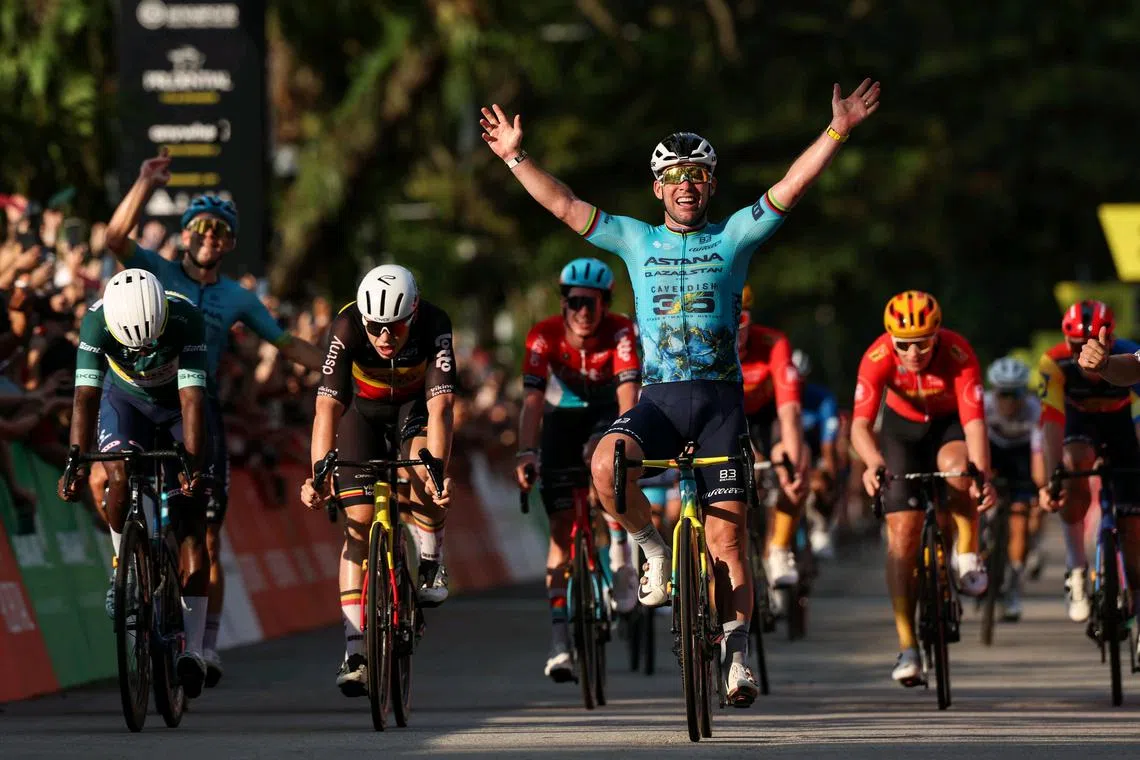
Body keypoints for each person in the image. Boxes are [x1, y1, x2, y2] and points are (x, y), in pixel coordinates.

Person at [480, 76, 881, 705]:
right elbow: (563, 205)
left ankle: (738, 655)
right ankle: (651, 550)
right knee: (606, 465)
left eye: (697, 175)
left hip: (720, 405)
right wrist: (514, 157)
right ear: (657, 188)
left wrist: (837, 130)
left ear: (711, 185)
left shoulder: (734, 238)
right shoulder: (635, 238)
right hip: (660, 403)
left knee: (727, 540)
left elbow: (792, 187)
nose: (686, 185)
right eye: (674, 177)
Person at [103, 149, 324, 686]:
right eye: (201, 228)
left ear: (229, 244)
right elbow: (113, 241)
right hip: (139, 400)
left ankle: (202, 646)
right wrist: (144, 182)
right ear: (183, 236)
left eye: (221, 232)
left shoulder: (237, 296)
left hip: (198, 408)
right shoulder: (153, 270)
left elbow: (286, 342)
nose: (210, 238)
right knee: (115, 482)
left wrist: (343, 368)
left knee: (204, 534)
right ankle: (130, 569)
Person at [299, 264, 456, 696]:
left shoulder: (436, 323)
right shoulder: (347, 326)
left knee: (422, 469)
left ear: (414, 313)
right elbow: (327, 409)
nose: (384, 337)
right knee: (358, 523)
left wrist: (438, 473)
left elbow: (441, 410)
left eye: (395, 327)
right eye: (376, 327)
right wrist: (318, 472)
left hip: (415, 409)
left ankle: (430, 558)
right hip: (362, 415)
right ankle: (355, 652)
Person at [56, 269, 212, 696]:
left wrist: (192, 467)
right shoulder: (95, 322)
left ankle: (193, 650)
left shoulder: (185, 318)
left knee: (191, 519)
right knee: (119, 471)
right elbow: (85, 396)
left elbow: (193, 398)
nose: (143, 352)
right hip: (125, 402)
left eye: (150, 342)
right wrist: (76, 461)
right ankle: (121, 566)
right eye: (133, 346)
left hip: (179, 405)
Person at [851, 290, 995, 685]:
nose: (913, 353)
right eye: (904, 345)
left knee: (957, 470)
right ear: (891, 341)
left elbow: (975, 424)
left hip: (948, 427)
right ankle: (907, 645)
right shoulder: (877, 357)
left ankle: (966, 552)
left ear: (938, 336)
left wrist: (982, 475)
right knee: (903, 536)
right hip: (902, 435)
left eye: (923, 343)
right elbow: (860, 426)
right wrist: (874, 464)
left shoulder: (959, 353)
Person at [514, 257, 641, 682]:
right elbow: (532, 403)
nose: (583, 312)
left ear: (606, 304)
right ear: (563, 303)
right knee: (560, 531)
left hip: (608, 414)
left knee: (609, 475)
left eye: (592, 303)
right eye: (574, 302)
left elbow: (628, 395)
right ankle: (558, 642)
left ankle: (622, 555)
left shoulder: (622, 330)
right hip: (561, 420)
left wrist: (620, 443)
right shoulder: (542, 335)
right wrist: (525, 453)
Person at [1041, 301, 1140, 627]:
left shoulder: (1130, 352)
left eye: (1095, 341)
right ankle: (1077, 567)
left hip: (1123, 424)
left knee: (1134, 527)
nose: (1085, 350)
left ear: (1111, 339)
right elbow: (1052, 422)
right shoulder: (1053, 362)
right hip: (1079, 426)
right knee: (1073, 464)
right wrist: (1051, 479)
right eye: (1076, 345)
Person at [736, 283, 807, 586]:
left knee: (794, 464)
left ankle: (779, 547)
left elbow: (789, 412)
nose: (734, 331)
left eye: (740, 322)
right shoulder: (703, 342)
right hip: (729, 416)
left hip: (768, 416)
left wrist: (792, 461)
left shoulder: (773, 342)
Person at [984, 356, 1040, 621]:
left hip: (1022, 456)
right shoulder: (983, 405)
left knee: (1020, 519)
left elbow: (1042, 451)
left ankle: (1013, 584)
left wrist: (1042, 485)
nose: (1008, 400)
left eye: (1015, 393)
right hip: (990, 452)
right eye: (1003, 393)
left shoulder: (1034, 410)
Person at [790, 349, 842, 559]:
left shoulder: (822, 399)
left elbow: (828, 445)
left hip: (818, 451)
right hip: (790, 452)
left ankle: (821, 525)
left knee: (822, 482)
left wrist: (828, 475)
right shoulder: (776, 396)